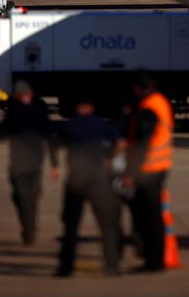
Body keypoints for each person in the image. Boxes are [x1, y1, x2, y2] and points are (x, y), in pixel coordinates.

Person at [55, 96, 121, 277]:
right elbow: (119, 143)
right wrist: (109, 160)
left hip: (76, 179)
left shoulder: (69, 125)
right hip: (98, 179)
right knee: (107, 224)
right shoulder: (102, 124)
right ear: (92, 107)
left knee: (71, 226)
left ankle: (66, 267)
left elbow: (55, 142)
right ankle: (112, 264)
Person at [122, 76, 174, 272]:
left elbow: (143, 144)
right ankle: (153, 259)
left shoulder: (148, 109)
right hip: (159, 166)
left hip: (149, 170)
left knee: (149, 218)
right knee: (152, 217)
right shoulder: (160, 102)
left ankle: (153, 261)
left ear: (138, 88)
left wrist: (131, 173)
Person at [0, 79, 58, 246]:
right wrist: (55, 164)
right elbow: (50, 137)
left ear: (16, 96)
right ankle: (30, 228)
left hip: (18, 163)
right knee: (32, 196)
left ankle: (28, 229)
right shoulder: (40, 112)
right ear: (30, 94)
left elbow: (1, 136)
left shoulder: (12, 113)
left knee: (20, 197)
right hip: (35, 162)